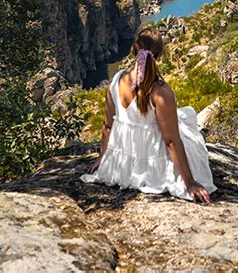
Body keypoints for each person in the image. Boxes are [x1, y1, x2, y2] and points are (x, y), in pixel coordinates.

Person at [80, 26, 216, 203]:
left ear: (133, 49)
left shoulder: (116, 80)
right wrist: (189, 182)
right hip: (152, 168)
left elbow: (107, 126)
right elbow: (171, 141)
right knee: (191, 135)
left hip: (122, 167)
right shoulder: (160, 92)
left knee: (186, 120)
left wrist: (103, 159)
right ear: (159, 55)